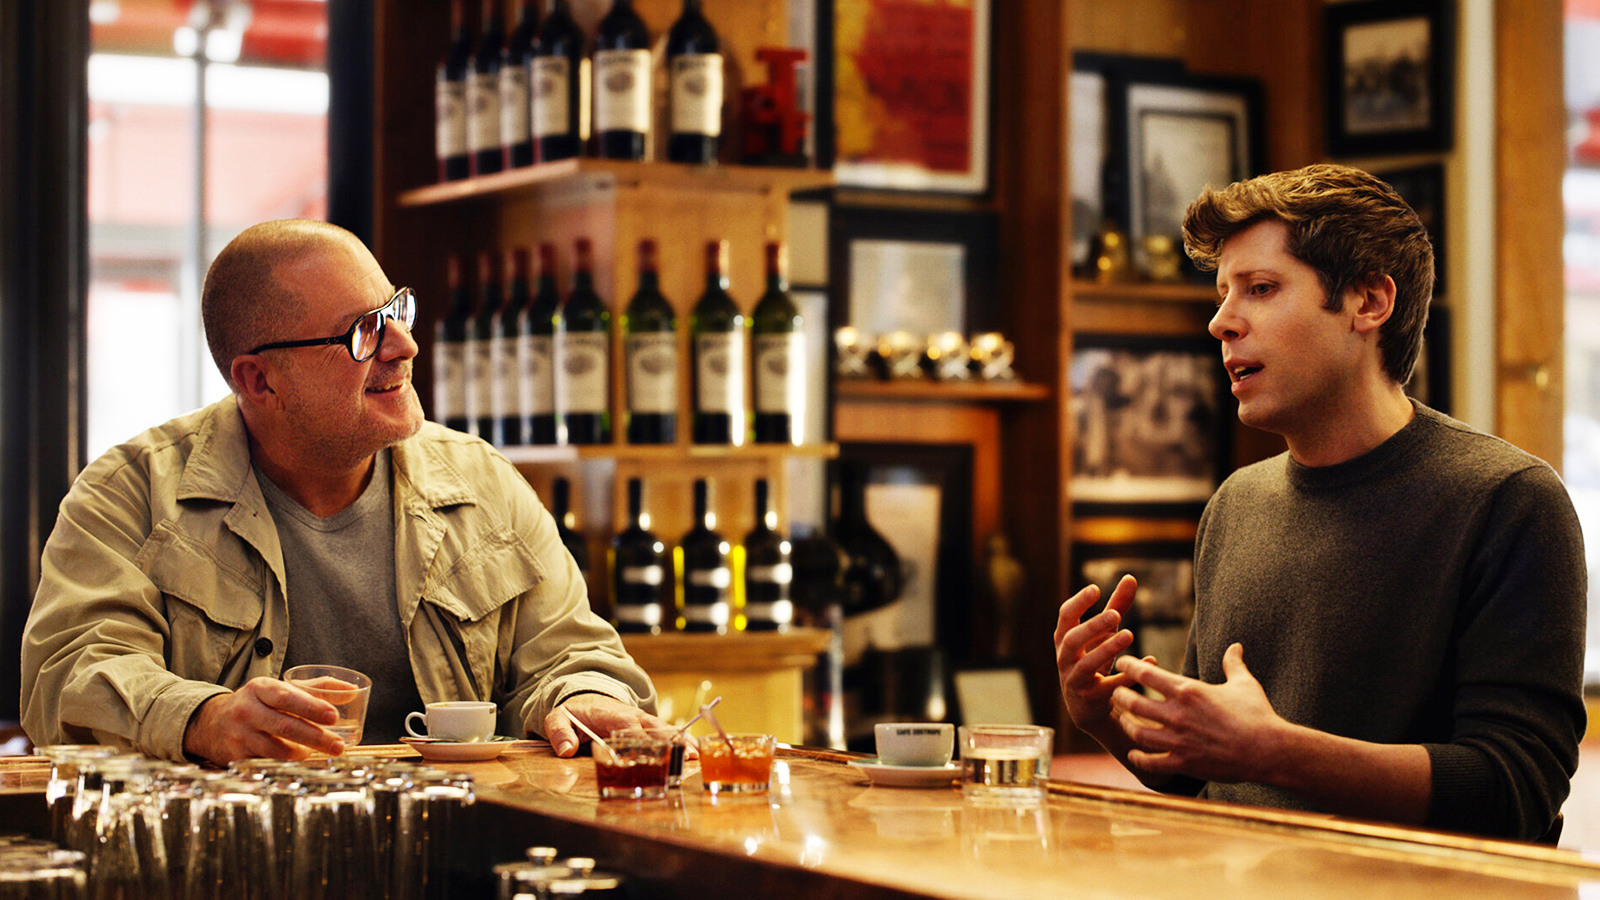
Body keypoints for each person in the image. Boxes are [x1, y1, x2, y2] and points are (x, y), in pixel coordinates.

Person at [1054, 164, 1587, 841]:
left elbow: (1514, 791)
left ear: (1368, 303)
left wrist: (1276, 750)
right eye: (1222, 294)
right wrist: (1109, 718)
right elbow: (1212, 776)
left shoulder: (1509, 501)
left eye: (1261, 289)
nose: (1222, 321)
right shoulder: (1235, 505)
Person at [21, 219, 664, 765]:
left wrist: (584, 698)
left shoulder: (480, 480)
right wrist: (204, 719)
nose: (406, 346)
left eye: (397, 311)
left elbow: (570, 651)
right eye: (364, 332)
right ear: (260, 380)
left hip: (455, 858)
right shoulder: (129, 494)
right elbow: (66, 678)